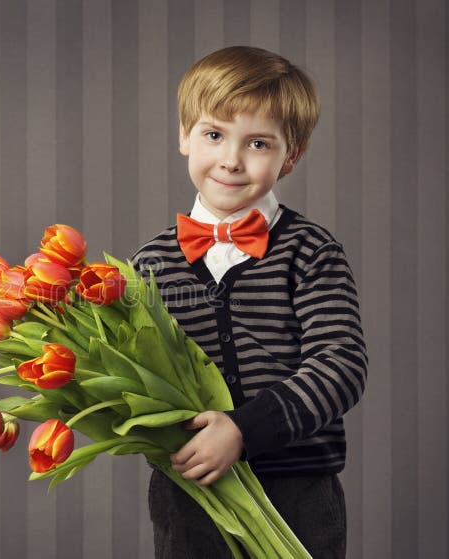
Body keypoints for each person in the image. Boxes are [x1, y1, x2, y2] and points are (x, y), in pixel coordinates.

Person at [131, 46, 367, 558]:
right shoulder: (147, 263)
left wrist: (244, 428)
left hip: (297, 490)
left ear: (292, 155)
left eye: (258, 143)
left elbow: (341, 364)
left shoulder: (310, 250)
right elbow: (136, 373)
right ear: (184, 135)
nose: (231, 160)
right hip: (189, 490)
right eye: (214, 134)